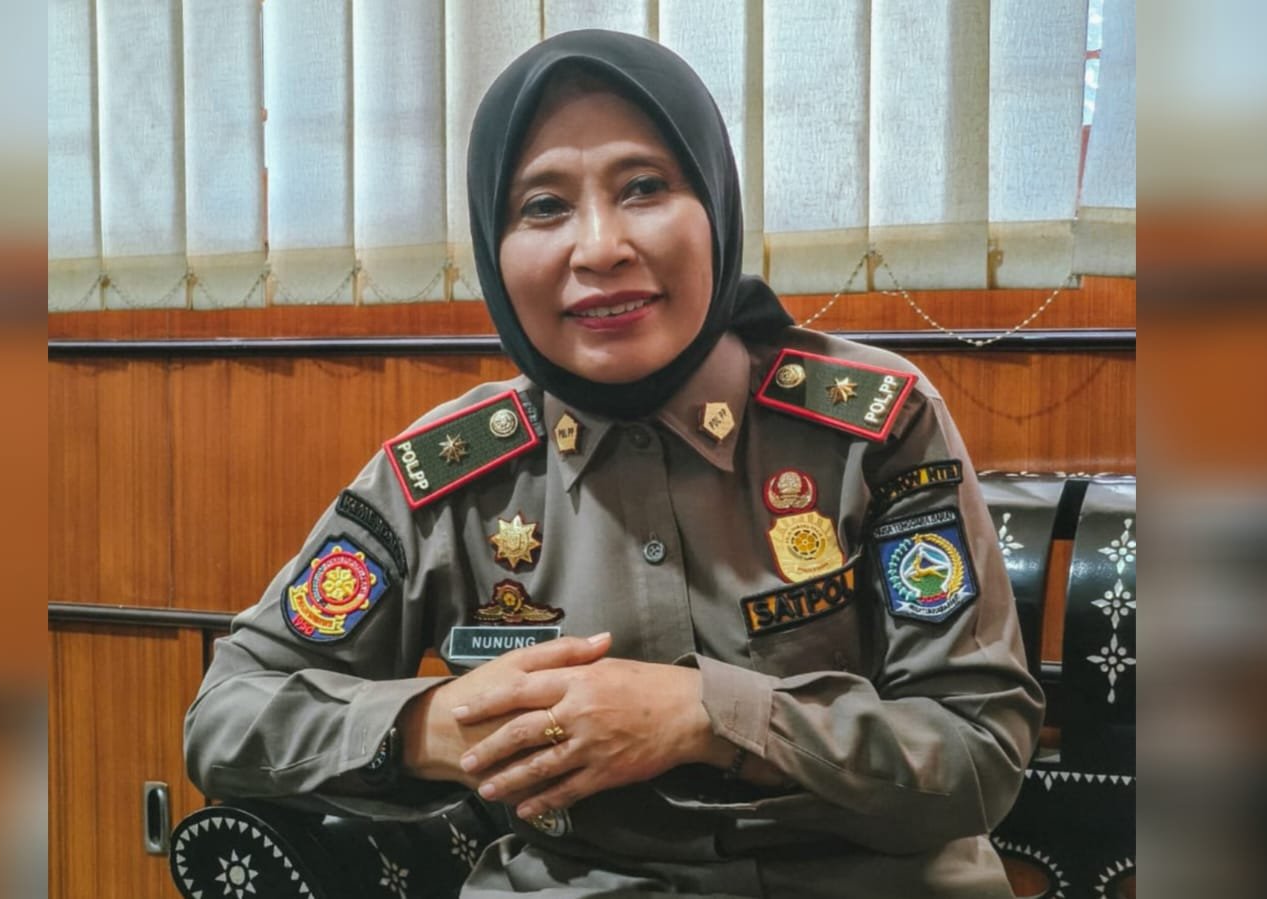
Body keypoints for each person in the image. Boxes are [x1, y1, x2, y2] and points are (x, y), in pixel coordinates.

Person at [185, 29, 1043, 898]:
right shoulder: (450, 475)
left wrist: (709, 716)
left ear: (715, 206)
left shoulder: (871, 425)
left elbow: (980, 750)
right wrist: (429, 724)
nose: (599, 247)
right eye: (543, 206)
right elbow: (226, 714)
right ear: (493, 245)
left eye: (644, 188)